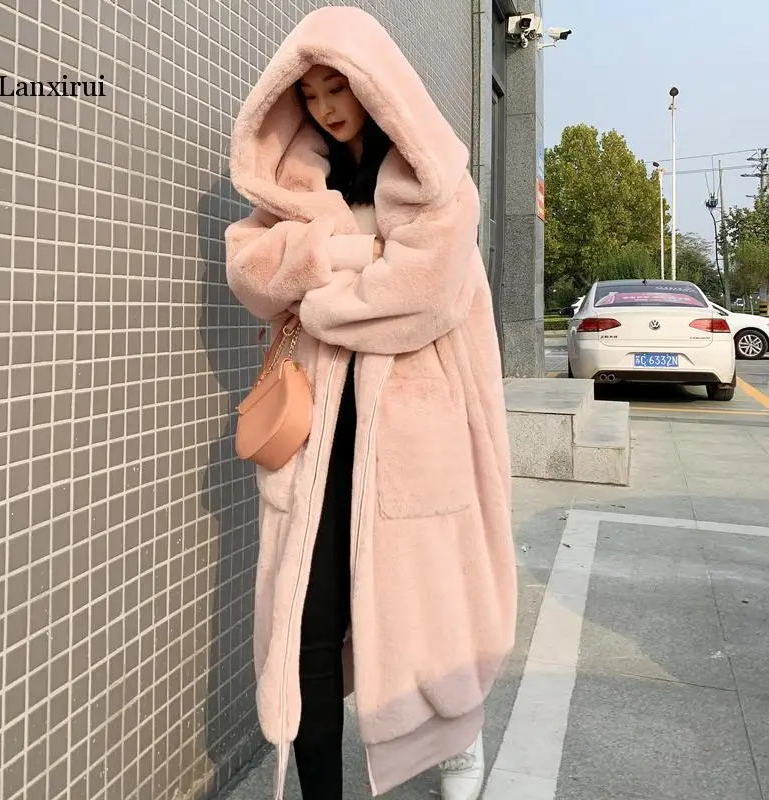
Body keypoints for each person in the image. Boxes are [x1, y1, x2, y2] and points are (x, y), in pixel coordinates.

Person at [224, 7, 517, 800]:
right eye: (310, 93)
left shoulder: (437, 185)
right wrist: (359, 252)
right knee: (309, 630)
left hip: (415, 446)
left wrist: (316, 282)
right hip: (317, 441)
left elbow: (419, 299)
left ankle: (457, 742)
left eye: (337, 86)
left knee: (425, 620)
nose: (325, 106)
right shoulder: (296, 186)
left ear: (373, 84)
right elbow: (249, 271)